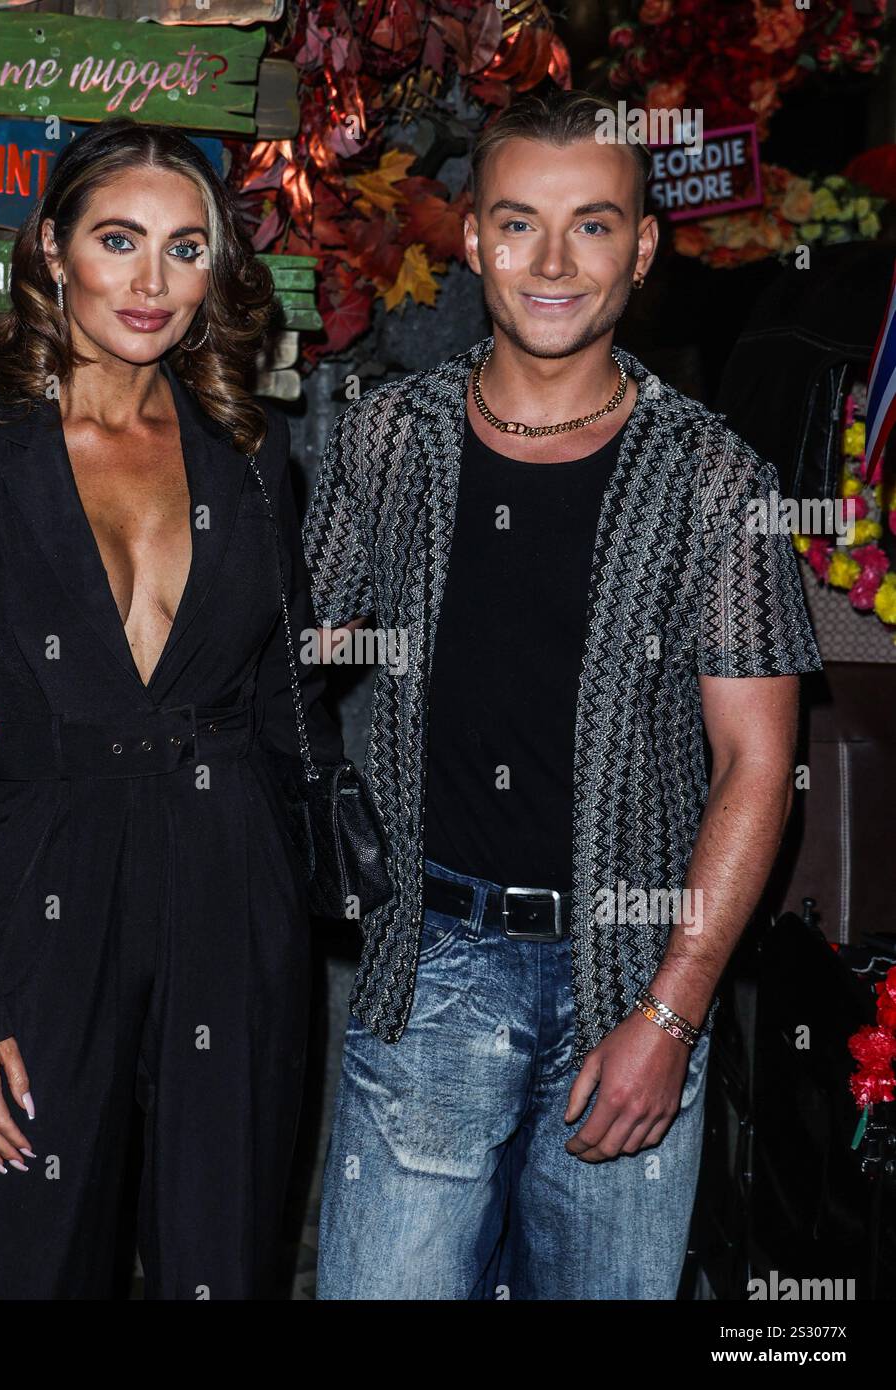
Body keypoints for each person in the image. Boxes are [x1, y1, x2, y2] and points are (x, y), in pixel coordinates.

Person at [304, 89, 823, 1299]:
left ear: (641, 249)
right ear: (474, 239)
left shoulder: (712, 476)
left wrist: (673, 1017)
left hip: (633, 985)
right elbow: (283, 658)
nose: (551, 261)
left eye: (591, 225)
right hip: (422, 969)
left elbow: (757, 766)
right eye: (518, 222)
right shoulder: (391, 442)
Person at [0, 117, 342, 1300]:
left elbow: (289, 715)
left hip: (231, 884)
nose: (151, 282)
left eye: (187, 249)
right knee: (23, 1259)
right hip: (44, 880)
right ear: (51, 250)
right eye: (119, 240)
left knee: (221, 1261)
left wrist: (305, 900)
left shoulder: (252, 454)